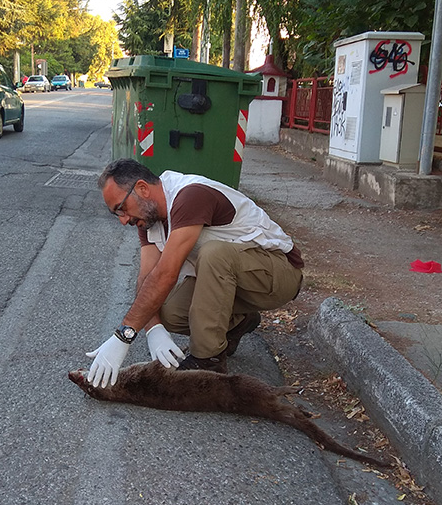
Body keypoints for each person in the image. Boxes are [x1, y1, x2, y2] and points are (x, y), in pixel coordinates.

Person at [86, 158, 304, 388]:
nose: (123, 220)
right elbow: (147, 278)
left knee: (214, 254)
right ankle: (238, 321)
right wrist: (153, 328)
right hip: (238, 279)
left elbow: (166, 273)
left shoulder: (190, 196)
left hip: (279, 274)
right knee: (167, 310)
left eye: (121, 208)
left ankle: (208, 362)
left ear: (142, 188)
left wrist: (124, 335)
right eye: (116, 214)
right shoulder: (149, 221)